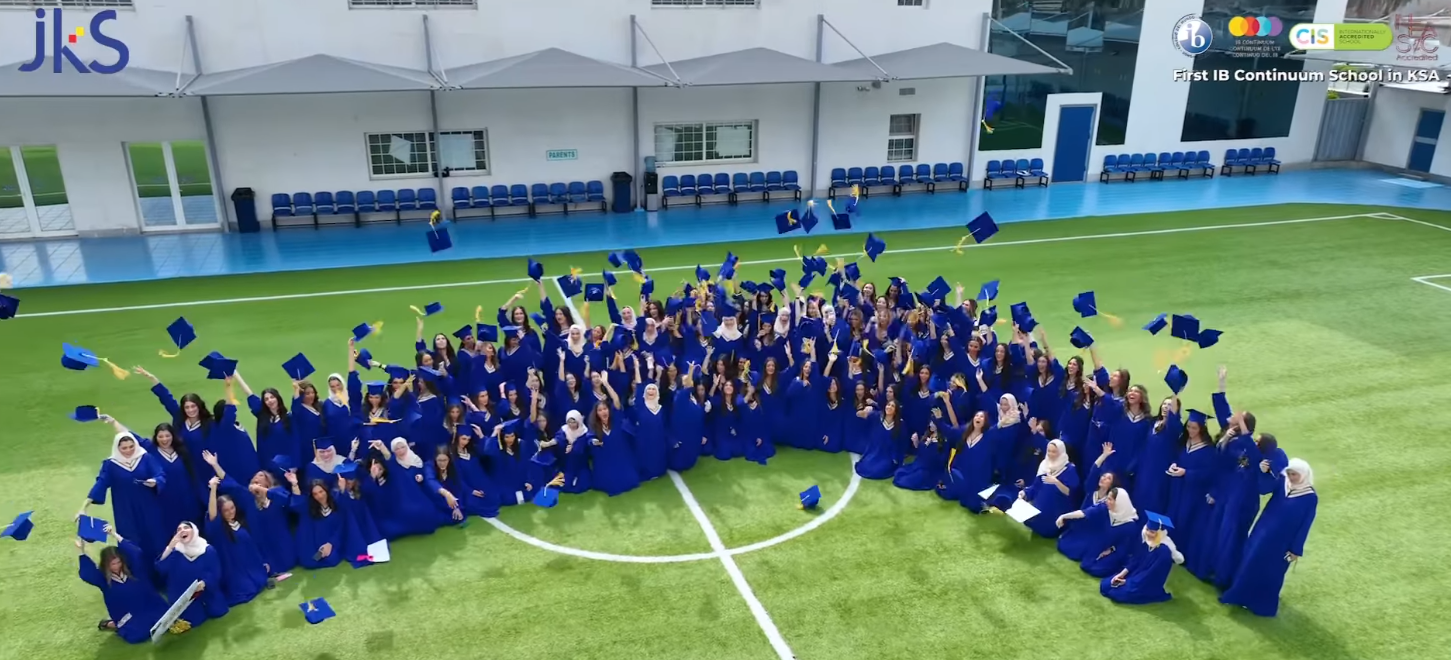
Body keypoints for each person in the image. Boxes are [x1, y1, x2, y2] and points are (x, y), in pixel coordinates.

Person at [1219, 458, 1318, 617]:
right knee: (1250, 561)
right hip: (1262, 530)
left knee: (1272, 571)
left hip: (1282, 540)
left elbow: (1305, 524)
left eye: (1295, 474)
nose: (1291, 477)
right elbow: (1263, 489)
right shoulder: (1282, 482)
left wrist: (1295, 549)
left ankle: (1262, 605)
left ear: (1304, 475)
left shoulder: (1310, 497)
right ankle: (1237, 595)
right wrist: (1264, 473)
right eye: (1289, 473)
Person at [78, 432, 168, 563]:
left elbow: (160, 474)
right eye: (124, 448)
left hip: (149, 506)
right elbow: (101, 484)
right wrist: (84, 506)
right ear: (117, 448)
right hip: (125, 509)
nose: (128, 451)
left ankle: (160, 569)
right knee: (130, 539)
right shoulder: (111, 464)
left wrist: (155, 481)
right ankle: (136, 571)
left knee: (155, 536)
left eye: (131, 446)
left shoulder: (146, 458)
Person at [77, 524, 169, 643]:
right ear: (106, 565)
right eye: (112, 564)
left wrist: (114, 534)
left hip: (150, 606)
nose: (116, 566)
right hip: (129, 615)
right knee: (138, 635)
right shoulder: (104, 580)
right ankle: (111, 624)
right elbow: (87, 574)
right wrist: (81, 550)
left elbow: (136, 553)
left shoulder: (135, 571)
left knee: (166, 621)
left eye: (118, 562)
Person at [202, 470, 271, 606]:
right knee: (245, 590)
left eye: (232, 508)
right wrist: (213, 490)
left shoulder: (240, 523)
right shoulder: (219, 529)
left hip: (251, 569)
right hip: (235, 574)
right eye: (226, 510)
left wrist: (262, 563)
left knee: (259, 581)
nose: (230, 512)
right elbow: (212, 515)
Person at [155, 522, 229, 629]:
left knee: (217, 611)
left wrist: (204, 583)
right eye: (179, 529)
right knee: (192, 621)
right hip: (187, 601)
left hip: (207, 595)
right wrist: (170, 547)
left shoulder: (207, 550)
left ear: (194, 531)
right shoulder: (176, 552)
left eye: (186, 527)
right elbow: (161, 568)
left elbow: (215, 571)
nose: (182, 530)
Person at [1058, 487, 1140, 577]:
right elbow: (1084, 513)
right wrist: (1064, 516)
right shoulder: (1104, 508)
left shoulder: (1130, 525)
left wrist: (1111, 550)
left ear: (1119, 502)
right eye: (1107, 498)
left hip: (1115, 551)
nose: (1107, 501)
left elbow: (1125, 546)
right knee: (1070, 548)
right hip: (1099, 542)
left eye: (1110, 499)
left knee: (1096, 568)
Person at [1100, 513, 1176, 605]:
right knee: (1105, 585)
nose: (1148, 534)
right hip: (1135, 576)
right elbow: (1135, 561)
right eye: (1147, 530)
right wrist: (1121, 575)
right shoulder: (1146, 544)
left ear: (1159, 534)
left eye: (1152, 532)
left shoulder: (1164, 552)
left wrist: (1127, 582)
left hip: (1145, 584)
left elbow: (1151, 575)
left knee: (1116, 594)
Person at [1016, 439, 1080, 538]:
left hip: (1057, 510)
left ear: (1061, 452)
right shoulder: (1044, 465)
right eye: (1049, 451)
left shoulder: (1069, 469)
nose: (1050, 454)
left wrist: (1056, 482)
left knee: (1048, 531)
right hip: (1039, 508)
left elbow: (1071, 493)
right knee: (1029, 521)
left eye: (1054, 452)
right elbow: (1036, 487)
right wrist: (1024, 493)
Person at [287, 473, 348, 570]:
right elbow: (298, 504)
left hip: (330, 541)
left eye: (321, 492)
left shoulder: (336, 504)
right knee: (310, 562)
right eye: (315, 494)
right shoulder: (309, 508)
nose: (319, 496)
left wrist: (330, 544)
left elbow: (340, 528)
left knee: (332, 559)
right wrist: (294, 484)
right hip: (313, 544)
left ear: (326, 491)